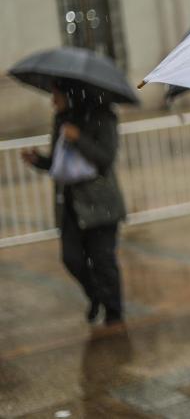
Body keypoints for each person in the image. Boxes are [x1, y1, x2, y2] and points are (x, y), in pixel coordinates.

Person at [21, 79, 126, 325]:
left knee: (103, 260)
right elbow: (62, 166)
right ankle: (97, 296)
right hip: (69, 205)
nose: (52, 100)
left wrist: (79, 137)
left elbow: (105, 159)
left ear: (71, 94)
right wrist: (39, 161)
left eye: (56, 94)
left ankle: (114, 312)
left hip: (100, 205)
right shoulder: (62, 119)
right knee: (72, 258)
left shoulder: (104, 116)